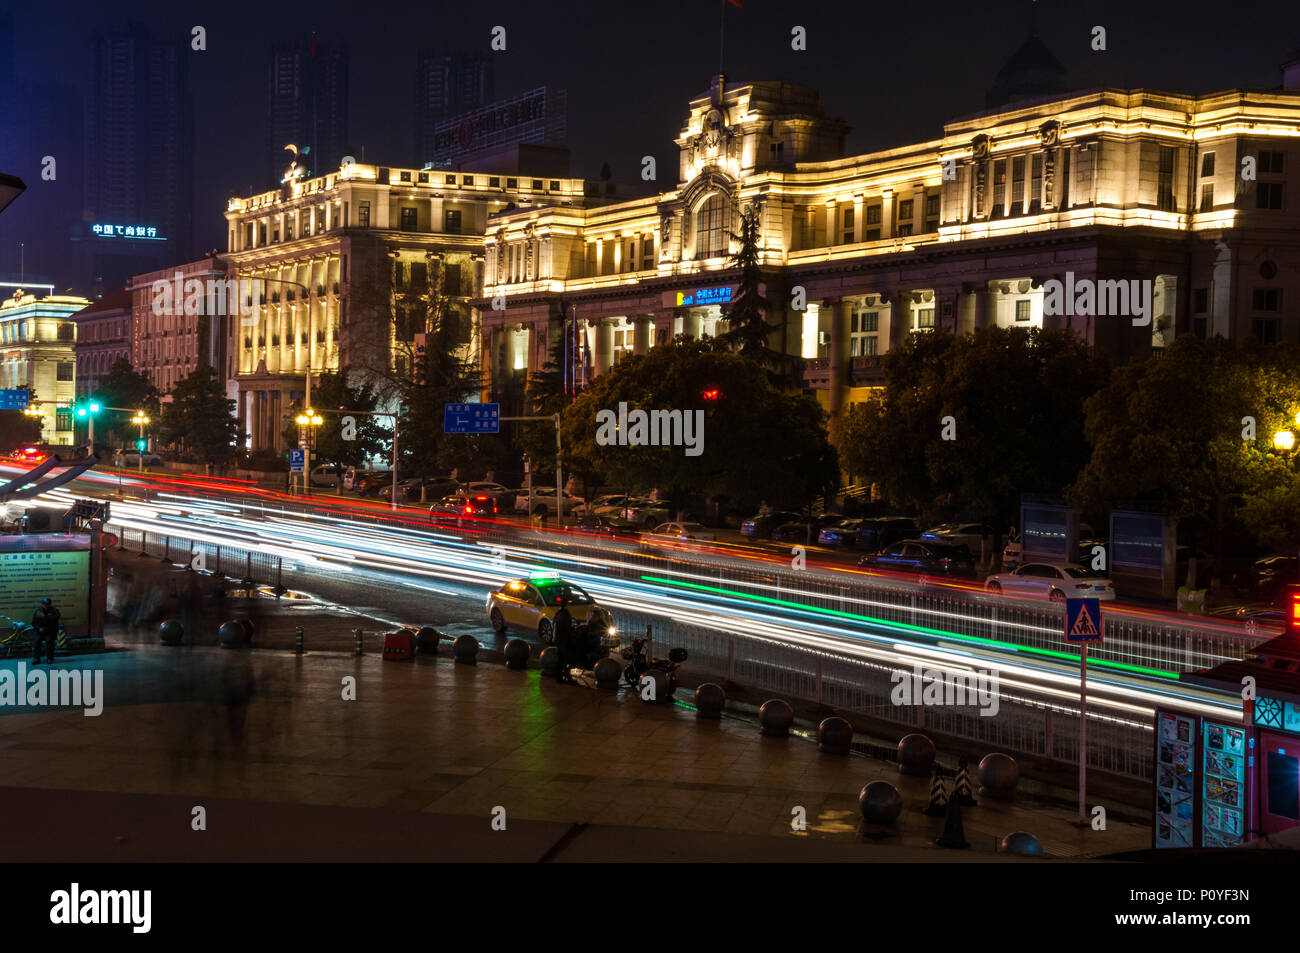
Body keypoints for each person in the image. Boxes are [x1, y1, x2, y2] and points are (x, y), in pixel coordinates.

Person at [553, 597, 575, 684]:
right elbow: (566, 629)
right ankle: (564, 677)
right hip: (563, 640)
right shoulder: (564, 614)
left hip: (559, 639)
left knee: (560, 659)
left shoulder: (559, 613)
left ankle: (559, 676)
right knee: (564, 659)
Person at [31, 597, 59, 665]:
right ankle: (36, 658)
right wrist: (39, 628)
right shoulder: (38, 611)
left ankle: (49, 658)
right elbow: (33, 623)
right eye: (44, 604)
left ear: (50, 604)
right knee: (37, 641)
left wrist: (45, 617)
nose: (45, 605)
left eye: (47, 604)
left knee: (49, 642)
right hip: (40, 630)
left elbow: (54, 620)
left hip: (50, 630)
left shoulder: (54, 611)